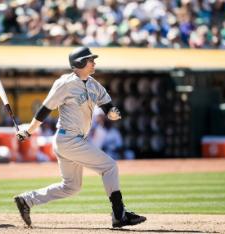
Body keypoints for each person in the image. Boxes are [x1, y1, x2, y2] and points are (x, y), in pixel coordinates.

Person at [14, 46, 146, 228]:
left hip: (74, 141)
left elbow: (107, 104)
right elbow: (45, 109)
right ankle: (119, 214)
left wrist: (112, 113)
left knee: (71, 186)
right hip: (68, 139)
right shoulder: (65, 83)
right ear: (80, 62)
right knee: (109, 166)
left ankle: (26, 200)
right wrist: (29, 130)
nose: (94, 63)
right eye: (90, 60)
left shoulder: (93, 83)